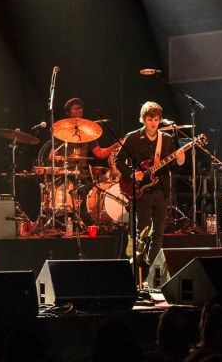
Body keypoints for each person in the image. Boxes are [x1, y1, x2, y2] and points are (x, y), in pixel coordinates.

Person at [114, 101, 185, 280]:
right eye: (150, 119)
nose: (153, 123)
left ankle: (154, 274)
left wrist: (181, 160)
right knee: (143, 233)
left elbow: (175, 168)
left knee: (158, 236)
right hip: (141, 192)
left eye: (156, 119)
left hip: (161, 190)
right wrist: (132, 174)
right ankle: (139, 274)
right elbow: (118, 160)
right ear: (143, 119)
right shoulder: (133, 137)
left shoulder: (167, 140)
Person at [56, 97, 121, 169]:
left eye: (80, 109)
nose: (78, 111)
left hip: (82, 173)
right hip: (65, 171)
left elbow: (100, 153)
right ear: (68, 113)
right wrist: (56, 157)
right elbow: (51, 155)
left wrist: (116, 146)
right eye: (74, 109)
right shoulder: (62, 131)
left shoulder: (87, 132)